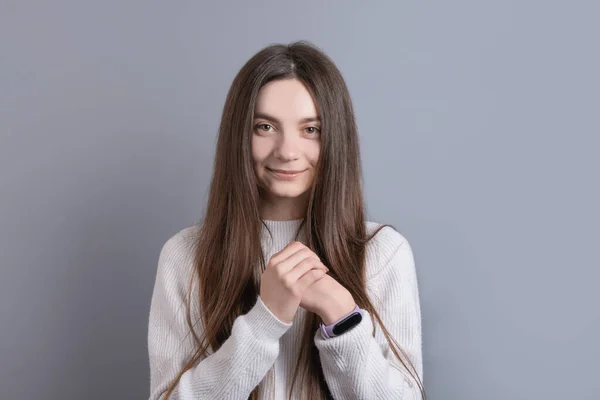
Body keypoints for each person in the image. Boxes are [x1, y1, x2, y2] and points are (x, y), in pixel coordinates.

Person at [147, 40, 425, 400]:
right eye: (265, 127)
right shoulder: (185, 256)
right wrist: (265, 320)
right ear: (239, 135)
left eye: (311, 129)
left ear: (335, 139)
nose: (287, 151)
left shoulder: (383, 254)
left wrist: (342, 318)